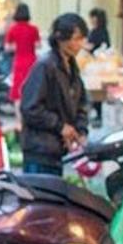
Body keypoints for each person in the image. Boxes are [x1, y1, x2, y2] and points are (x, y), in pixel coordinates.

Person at [19, 14, 90, 174]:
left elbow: (81, 103)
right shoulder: (44, 66)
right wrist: (59, 126)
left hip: (57, 152)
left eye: (82, 39)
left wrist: (80, 130)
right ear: (60, 38)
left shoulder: (72, 67)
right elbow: (30, 108)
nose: (80, 44)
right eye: (76, 38)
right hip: (40, 151)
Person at [4, 4, 41, 103]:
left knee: (18, 92)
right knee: (32, 88)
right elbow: (38, 45)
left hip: (19, 61)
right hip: (32, 61)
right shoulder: (34, 29)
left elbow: (7, 48)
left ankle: (19, 118)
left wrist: (17, 46)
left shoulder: (13, 29)